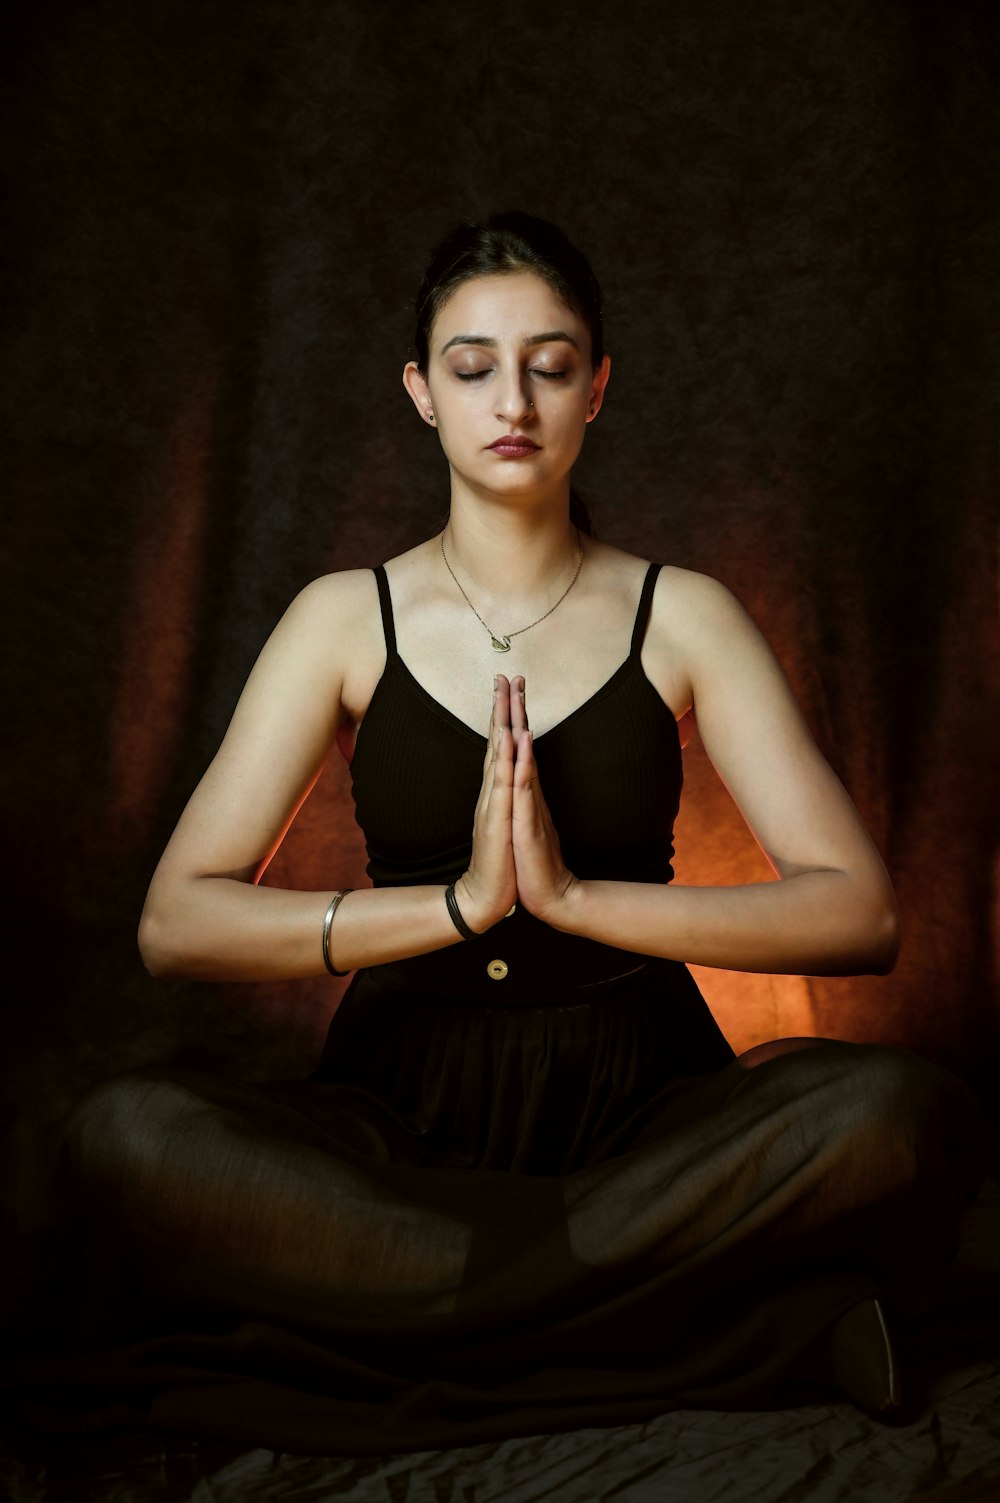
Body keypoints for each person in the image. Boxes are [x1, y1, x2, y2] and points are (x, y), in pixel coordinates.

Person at [9, 212, 988, 1455]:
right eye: (471, 366)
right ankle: (755, 1327)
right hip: (395, 1119)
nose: (510, 399)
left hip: (649, 1118)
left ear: (599, 387)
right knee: (126, 1137)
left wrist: (573, 900)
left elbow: (861, 914)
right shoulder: (340, 619)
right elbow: (176, 922)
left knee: (893, 1111)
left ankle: (442, 1310)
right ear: (422, 394)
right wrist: (461, 907)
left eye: (550, 362)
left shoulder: (684, 613)